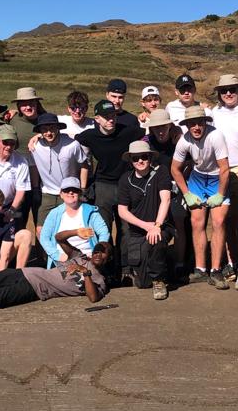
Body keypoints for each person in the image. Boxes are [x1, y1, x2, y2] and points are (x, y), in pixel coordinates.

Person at [75, 99, 144, 278]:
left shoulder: (128, 131)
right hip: (103, 187)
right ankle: (106, 269)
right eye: (106, 117)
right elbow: (69, 138)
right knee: (103, 230)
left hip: (125, 185)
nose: (110, 120)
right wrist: (37, 137)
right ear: (97, 118)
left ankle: (127, 269)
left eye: (112, 115)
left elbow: (149, 134)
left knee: (126, 229)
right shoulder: (89, 135)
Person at [171, 105, 231, 289]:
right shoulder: (185, 140)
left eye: (199, 123)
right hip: (197, 178)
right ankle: (200, 268)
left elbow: (224, 168)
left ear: (205, 122)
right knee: (197, 223)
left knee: (219, 222)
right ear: (187, 125)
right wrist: (186, 193)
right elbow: (175, 168)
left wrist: (220, 193)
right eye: (191, 124)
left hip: (216, 178)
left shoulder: (215, 136)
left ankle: (216, 269)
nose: (196, 127)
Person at [209, 74, 238, 285]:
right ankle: (231, 261)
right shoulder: (213, 113)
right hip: (222, 170)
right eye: (223, 90)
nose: (228, 93)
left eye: (232, 89)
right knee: (225, 219)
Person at [117, 140, 174, 300]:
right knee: (142, 283)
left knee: (157, 240)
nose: (140, 161)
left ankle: (159, 280)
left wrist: (157, 225)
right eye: (135, 158)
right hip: (138, 230)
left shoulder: (161, 172)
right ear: (131, 161)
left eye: (144, 157)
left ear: (150, 158)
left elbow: (166, 199)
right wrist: (145, 226)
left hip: (160, 225)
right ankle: (161, 267)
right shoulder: (125, 180)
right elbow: (122, 210)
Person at [142, 109, 189, 277]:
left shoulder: (178, 141)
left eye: (164, 127)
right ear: (151, 129)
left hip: (177, 188)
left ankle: (180, 263)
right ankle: (152, 263)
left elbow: (190, 163)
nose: (160, 131)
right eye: (156, 128)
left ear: (170, 126)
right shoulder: (147, 143)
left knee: (179, 225)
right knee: (155, 224)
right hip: (155, 190)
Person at [29, 112, 89, 229]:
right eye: (44, 129)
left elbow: (84, 165)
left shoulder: (72, 145)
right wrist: (36, 188)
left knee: (67, 229)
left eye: (52, 128)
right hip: (46, 193)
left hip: (69, 192)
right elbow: (34, 167)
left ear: (58, 128)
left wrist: (83, 189)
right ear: (40, 131)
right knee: (40, 230)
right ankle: (41, 248)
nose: (49, 132)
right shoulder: (35, 146)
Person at [39, 177, 111, 269]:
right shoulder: (54, 213)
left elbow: (104, 232)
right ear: (61, 194)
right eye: (66, 190)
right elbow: (44, 238)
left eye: (74, 190)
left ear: (80, 193)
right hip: (62, 260)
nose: (70, 193)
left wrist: (96, 253)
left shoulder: (91, 211)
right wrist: (57, 255)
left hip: (87, 258)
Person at [8, 87, 47, 224]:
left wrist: (42, 134)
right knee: (18, 220)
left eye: (31, 103)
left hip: (42, 180)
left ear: (37, 103)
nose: (28, 107)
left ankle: (41, 246)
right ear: (18, 106)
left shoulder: (45, 120)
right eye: (23, 104)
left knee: (42, 222)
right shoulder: (12, 119)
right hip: (19, 179)